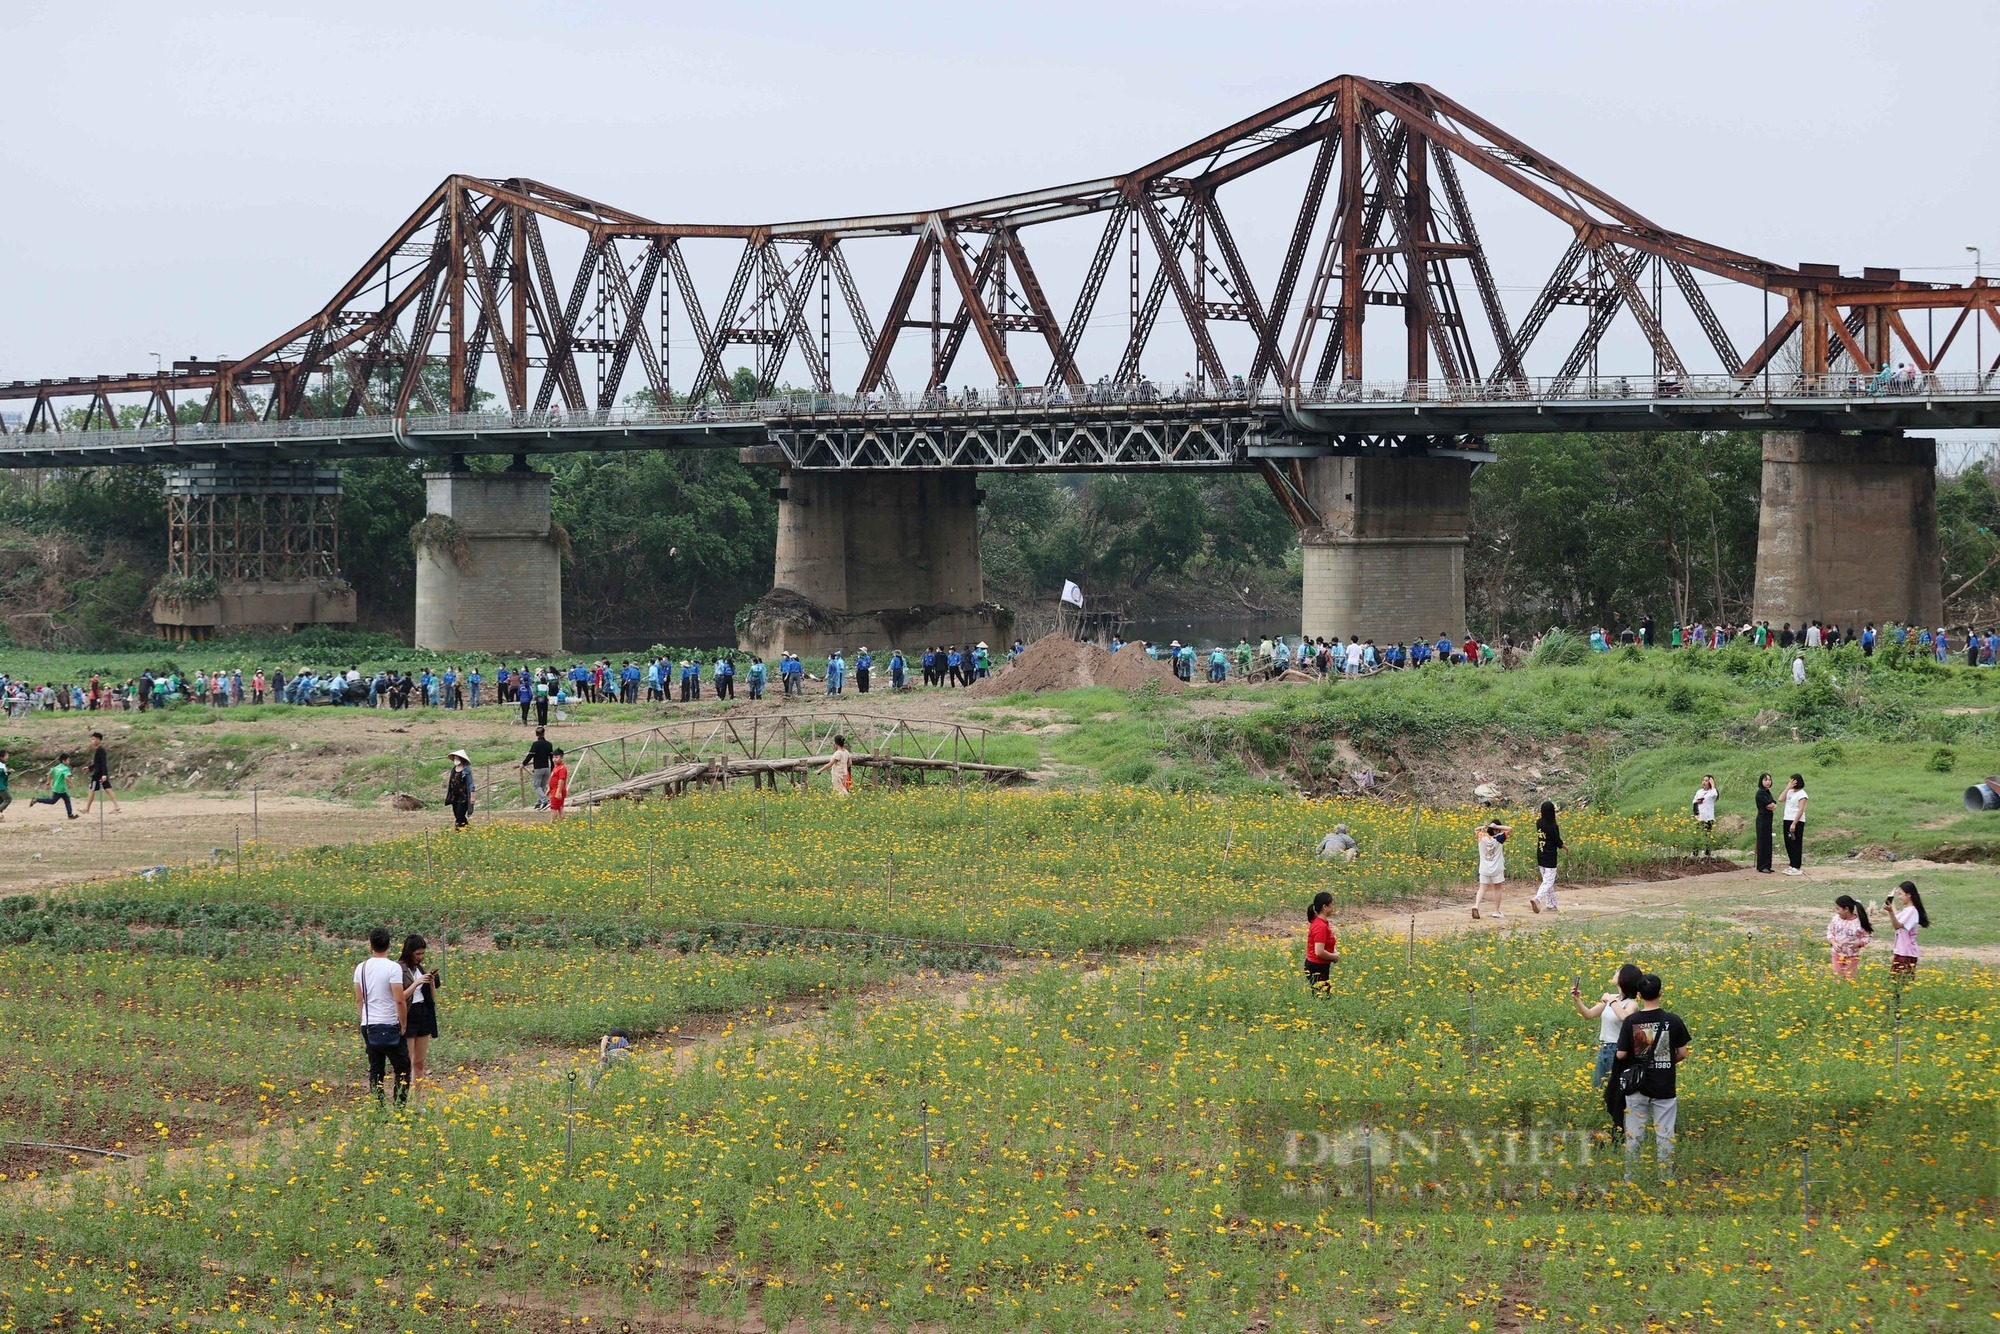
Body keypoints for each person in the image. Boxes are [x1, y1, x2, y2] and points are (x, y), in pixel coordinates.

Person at [1615, 972, 1691, 1177]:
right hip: (1664, 1086)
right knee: (1665, 1134)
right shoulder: (1673, 1020)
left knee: (1634, 1134)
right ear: (1661, 993)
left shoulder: (1632, 1021)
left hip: (1637, 1086)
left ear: (1638, 995)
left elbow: (1621, 1054)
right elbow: (1682, 1052)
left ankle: (1630, 1177)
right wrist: (1665, 1063)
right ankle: (1665, 1177)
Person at [1572, 962, 1642, 1126]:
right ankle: (1604, 1124)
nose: (1615, 972)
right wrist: (1577, 1000)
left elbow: (1626, 1018)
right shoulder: (1611, 998)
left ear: (1624, 978)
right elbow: (1588, 1014)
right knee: (1599, 1088)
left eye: (1618, 971)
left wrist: (1611, 1001)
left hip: (1619, 1052)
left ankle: (1618, 1126)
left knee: (1615, 1093)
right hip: (1604, 1050)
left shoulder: (1631, 1003)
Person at [354, 926, 411, 1105]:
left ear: (370, 945)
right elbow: (400, 999)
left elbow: (359, 999)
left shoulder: (360, 968)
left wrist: (364, 1020)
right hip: (390, 1024)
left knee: (376, 1069)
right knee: (402, 1068)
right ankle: (400, 1109)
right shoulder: (393, 968)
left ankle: (379, 1110)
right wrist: (403, 1024)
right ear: (389, 944)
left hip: (369, 1024)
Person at [399, 933, 440, 1091]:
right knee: (407, 1061)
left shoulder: (419, 969)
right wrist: (416, 983)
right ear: (409, 952)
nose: (420, 957)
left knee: (420, 1061)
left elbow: (431, 997)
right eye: (417, 954)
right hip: (408, 1014)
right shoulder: (399, 969)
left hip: (423, 1013)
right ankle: (404, 1096)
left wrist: (429, 983)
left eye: (423, 954)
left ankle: (417, 1099)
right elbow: (400, 996)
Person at [1886, 881, 1929, 975]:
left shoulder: (1912, 911)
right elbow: (1897, 918)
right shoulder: (1907, 911)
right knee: (1896, 985)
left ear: (1908, 895)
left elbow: (1897, 926)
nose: (1899, 897)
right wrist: (1890, 901)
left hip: (1906, 954)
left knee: (1899, 984)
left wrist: (1890, 912)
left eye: (1900, 894)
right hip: (1902, 953)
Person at [1827, 894, 1873, 981]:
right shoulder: (1836, 919)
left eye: (1838, 909)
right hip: (1837, 955)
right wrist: (1833, 942)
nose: (1837, 911)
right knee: (1837, 979)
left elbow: (1868, 936)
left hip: (1852, 956)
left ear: (1846, 909)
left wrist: (1859, 943)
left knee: (1850, 979)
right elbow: (1830, 932)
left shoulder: (1858, 923)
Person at [1471, 820, 1510, 920]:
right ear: (1498, 830)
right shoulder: (1499, 838)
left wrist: (1484, 826)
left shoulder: (1481, 837)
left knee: (1482, 888)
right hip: (1497, 868)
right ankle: (1496, 911)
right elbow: (1510, 829)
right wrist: (1498, 826)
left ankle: (1476, 905)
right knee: (1497, 888)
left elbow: (1476, 829)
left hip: (1484, 868)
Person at [1304, 890, 1340, 995]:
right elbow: (1319, 951)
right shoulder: (1320, 926)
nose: (1333, 907)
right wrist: (1334, 957)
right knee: (1323, 998)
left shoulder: (1321, 922)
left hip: (1319, 966)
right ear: (1325, 907)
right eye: (1332, 904)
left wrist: (1333, 951)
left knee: (1322, 996)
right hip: (1317, 966)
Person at [1532, 800, 1564, 912]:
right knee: (1548, 881)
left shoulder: (1538, 822)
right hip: (1550, 856)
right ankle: (1537, 898)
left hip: (1540, 854)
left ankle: (1552, 904)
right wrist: (1566, 847)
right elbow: (1557, 841)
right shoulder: (1553, 826)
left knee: (1547, 880)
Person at [79, 731, 120, 816]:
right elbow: (97, 763)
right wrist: (89, 768)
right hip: (100, 773)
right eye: (92, 739)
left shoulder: (100, 750)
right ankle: (116, 806)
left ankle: (87, 809)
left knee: (92, 789)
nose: (92, 741)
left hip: (98, 774)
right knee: (108, 789)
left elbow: (103, 763)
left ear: (98, 740)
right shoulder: (99, 750)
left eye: (93, 739)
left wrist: (104, 774)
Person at [30, 752, 77, 819]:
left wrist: (48, 781)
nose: (69, 761)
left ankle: (70, 815)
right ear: (64, 761)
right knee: (54, 801)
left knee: (65, 800)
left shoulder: (56, 767)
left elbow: (49, 773)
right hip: (61, 789)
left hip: (57, 787)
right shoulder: (65, 768)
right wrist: (71, 783)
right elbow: (66, 777)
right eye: (68, 760)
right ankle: (37, 800)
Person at [1781, 772, 1809, 875]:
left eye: (1792, 781)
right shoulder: (1790, 792)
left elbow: (1801, 810)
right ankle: (1791, 864)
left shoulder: (1802, 794)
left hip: (1797, 820)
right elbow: (1781, 799)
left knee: (1795, 843)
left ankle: (1796, 866)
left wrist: (1794, 823)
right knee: (1788, 843)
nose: (1791, 782)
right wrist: (1787, 787)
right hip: (1787, 818)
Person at [523, 727, 554, 810]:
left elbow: (530, 755)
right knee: (542, 786)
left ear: (536, 734)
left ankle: (544, 800)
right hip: (547, 768)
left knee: (536, 785)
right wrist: (552, 768)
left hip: (538, 768)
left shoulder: (535, 744)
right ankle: (539, 802)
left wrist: (523, 764)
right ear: (544, 733)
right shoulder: (549, 744)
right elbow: (551, 758)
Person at [1753, 773, 1776, 874]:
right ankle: (1762, 866)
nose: (1768, 782)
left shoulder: (1767, 792)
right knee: (1762, 842)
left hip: (1768, 819)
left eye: (1769, 780)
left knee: (1768, 841)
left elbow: (1774, 803)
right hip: (1762, 819)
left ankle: (1767, 864)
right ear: (1761, 781)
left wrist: (1772, 805)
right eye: (1765, 780)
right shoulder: (1761, 793)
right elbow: (1769, 805)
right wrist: (1772, 805)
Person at [1690, 775, 1718, 857]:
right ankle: (1695, 853)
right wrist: (1696, 813)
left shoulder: (1712, 792)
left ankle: (1707, 853)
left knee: (1708, 835)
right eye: (1703, 780)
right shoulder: (1699, 792)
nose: (1704, 782)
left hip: (1708, 817)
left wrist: (1713, 785)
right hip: (1699, 817)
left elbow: (1714, 795)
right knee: (1697, 834)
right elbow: (1694, 802)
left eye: (1706, 780)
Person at [548, 748, 569, 816]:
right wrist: (549, 788)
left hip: (557, 790)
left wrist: (558, 792)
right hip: (554, 789)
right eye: (553, 757)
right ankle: (563, 822)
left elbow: (561, 780)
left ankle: (552, 822)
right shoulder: (556, 767)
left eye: (556, 757)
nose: (554, 759)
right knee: (560, 807)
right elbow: (552, 778)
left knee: (554, 807)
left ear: (561, 758)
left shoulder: (562, 769)